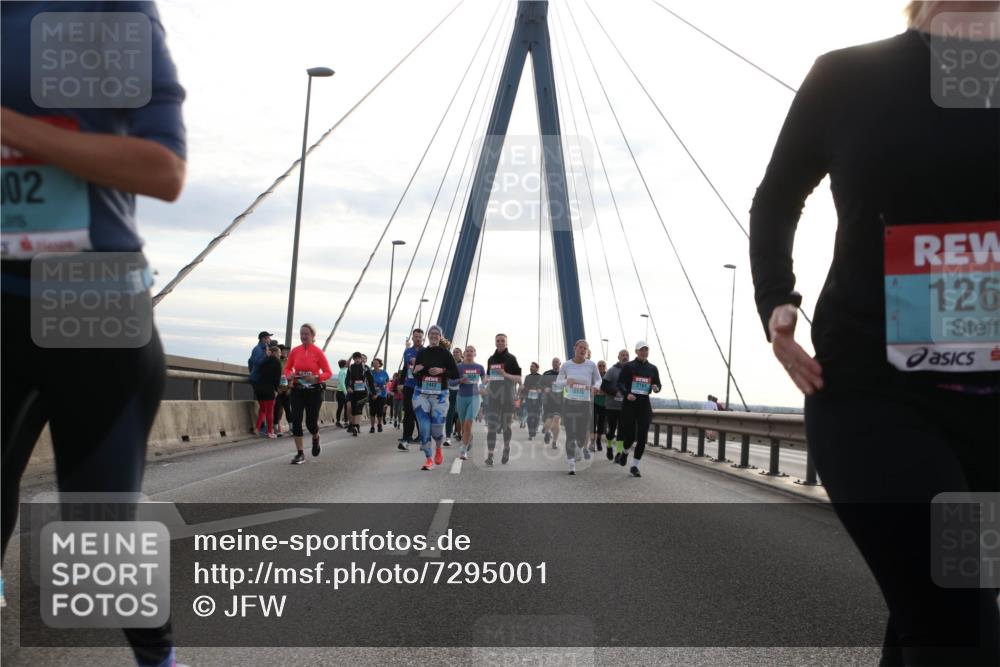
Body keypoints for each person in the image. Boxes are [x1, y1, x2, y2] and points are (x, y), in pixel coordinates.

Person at [749, 2, 999, 663]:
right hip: (871, 395)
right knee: (956, 610)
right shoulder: (848, 77)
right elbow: (778, 196)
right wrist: (776, 299)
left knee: (941, 615)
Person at [1, 3, 185, 664]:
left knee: (98, 545)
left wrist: (14, 130)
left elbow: (163, 169)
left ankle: (158, 658)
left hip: (94, 308)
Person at [412, 325, 460, 470]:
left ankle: (438, 447)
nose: (433, 336)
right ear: (428, 336)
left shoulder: (446, 354)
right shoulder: (422, 353)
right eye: (431, 333)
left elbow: (455, 374)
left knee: (437, 429)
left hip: (440, 395)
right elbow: (415, 373)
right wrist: (415, 371)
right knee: (424, 428)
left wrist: (441, 370)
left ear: (440, 337)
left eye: (436, 334)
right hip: (421, 393)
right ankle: (428, 458)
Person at [284, 324, 333, 463]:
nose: (303, 336)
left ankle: (316, 437)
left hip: (314, 392)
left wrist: (316, 377)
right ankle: (300, 453)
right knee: (296, 421)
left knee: (311, 423)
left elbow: (328, 373)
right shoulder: (295, 351)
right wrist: (290, 375)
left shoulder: (318, 352)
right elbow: (287, 369)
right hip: (298, 390)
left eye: (306, 334)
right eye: (301, 334)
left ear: (312, 336)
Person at [553, 341, 602, 475]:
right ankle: (571, 465)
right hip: (569, 402)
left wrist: (596, 387)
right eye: (580, 347)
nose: (582, 350)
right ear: (574, 348)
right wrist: (566, 382)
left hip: (584, 403)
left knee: (581, 433)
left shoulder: (591, 365)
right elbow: (558, 383)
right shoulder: (567, 365)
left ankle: (580, 447)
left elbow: (598, 380)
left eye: (585, 348)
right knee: (570, 433)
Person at [616, 341, 661, 477]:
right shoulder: (629, 367)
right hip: (630, 404)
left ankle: (634, 466)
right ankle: (624, 453)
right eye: (641, 350)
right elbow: (620, 383)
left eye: (646, 350)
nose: (644, 352)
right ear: (636, 352)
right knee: (630, 436)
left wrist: (656, 388)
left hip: (644, 405)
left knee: (642, 436)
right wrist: (627, 394)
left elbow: (658, 384)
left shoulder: (653, 368)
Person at [484, 333, 522, 465]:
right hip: (493, 397)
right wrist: (485, 380)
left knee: (506, 427)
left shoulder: (512, 359)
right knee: (492, 427)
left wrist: (505, 374)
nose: (500, 343)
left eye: (502, 341)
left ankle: (506, 447)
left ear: (506, 343)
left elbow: (519, 378)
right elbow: (487, 377)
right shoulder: (491, 359)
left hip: (507, 397)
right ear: (495, 342)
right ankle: (490, 455)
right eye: (498, 341)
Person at [455, 345, 486, 460]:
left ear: (475, 353)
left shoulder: (480, 367)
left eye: (471, 351)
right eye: (467, 351)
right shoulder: (459, 367)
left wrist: (483, 386)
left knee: (468, 423)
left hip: (475, 397)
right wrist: (459, 380)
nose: (469, 353)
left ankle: (463, 450)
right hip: (461, 397)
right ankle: (469, 437)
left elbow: (484, 379)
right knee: (464, 426)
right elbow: (451, 382)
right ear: (464, 353)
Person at [399, 328, 424, 450]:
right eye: (416, 336)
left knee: (420, 413)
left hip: (422, 387)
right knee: (408, 412)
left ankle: (422, 437)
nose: (418, 339)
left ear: (422, 338)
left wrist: (418, 362)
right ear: (413, 338)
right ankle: (406, 438)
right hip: (409, 385)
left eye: (420, 337)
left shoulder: (426, 351)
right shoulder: (407, 351)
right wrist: (400, 382)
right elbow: (405, 368)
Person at [602, 349, 629, 461]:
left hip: (625, 406)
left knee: (622, 431)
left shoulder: (631, 371)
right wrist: (615, 392)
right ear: (618, 357)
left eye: (626, 355)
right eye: (622, 355)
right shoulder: (612, 371)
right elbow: (604, 386)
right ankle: (609, 446)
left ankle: (618, 452)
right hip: (612, 405)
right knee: (611, 430)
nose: (625, 357)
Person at [254, 342, 283, 438]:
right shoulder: (277, 362)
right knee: (270, 411)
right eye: (279, 352)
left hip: (259, 388)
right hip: (269, 389)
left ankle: (257, 428)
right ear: (274, 353)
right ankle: (269, 432)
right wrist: (276, 389)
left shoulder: (264, 361)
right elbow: (277, 378)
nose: (280, 354)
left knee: (263, 410)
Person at [248, 331, 273, 434]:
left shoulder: (262, 348)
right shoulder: (258, 349)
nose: (270, 340)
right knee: (264, 405)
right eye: (268, 338)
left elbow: (249, 362)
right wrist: (266, 356)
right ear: (263, 339)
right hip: (258, 381)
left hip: (258, 380)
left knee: (263, 406)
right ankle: (262, 428)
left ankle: (260, 427)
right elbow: (257, 362)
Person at [540, 357, 562, 448]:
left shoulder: (564, 373)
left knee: (557, 419)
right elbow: (540, 384)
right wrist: (545, 388)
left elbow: (569, 385)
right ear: (552, 364)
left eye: (557, 362)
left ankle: (554, 442)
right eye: (553, 362)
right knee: (548, 419)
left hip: (560, 400)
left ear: (560, 363)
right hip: (548, 400)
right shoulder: (546, 373)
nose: (555, 363)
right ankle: (547, 432)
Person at [443, 346, 463, 446]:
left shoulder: (464, 365)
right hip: (450, 391)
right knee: (449, 414)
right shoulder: (449, 364)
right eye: (454, 352)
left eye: (457, 352)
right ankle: (447, 437)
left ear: (461, 354)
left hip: (461, 392)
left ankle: (459, 433)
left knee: (460, 415)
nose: (455, 354)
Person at [345, 351, 368, 437]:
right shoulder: (351, 367)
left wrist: (373, 392)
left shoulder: (365, 368)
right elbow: (347, 379)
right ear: (354, 359)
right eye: (356, 358)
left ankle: (355, 426)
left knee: (358, 409)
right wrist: (348, 387)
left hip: (363, 393)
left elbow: (370, 380)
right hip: (352, 392)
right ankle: (353, 424)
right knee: (351, 408)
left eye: (359, 358)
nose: (357, 360)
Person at [520, 362, 544, 439]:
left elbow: (543, 387)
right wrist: (524, 393)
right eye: (530, 366)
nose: (531, 368)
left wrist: (539, 390)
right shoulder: (527, 377)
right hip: (529, 399)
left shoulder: (541, 377)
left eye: (533, 367)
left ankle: (534, 429)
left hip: (538, 400)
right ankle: (531, 433)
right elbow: (524, 387)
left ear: (537, 368)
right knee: (530, 416)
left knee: (536, 416)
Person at [273, 345, 292, 436]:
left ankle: (291, 428)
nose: (285, 353)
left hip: (286, 389)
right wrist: (277, 388)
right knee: (277, 409)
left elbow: (292, 376)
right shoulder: (276, 361)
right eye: (283, 351)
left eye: (286, 351)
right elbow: (273, 376)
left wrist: (289, 387)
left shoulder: (288, 362)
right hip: (279, 389)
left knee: (288, 409)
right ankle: (276, 428)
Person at [369, 358, 389, 433]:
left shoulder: (384, 372)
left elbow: (387, 381)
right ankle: (372, 427)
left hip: (382, 394)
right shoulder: (371, 372)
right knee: (372, 411)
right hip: (373, 394)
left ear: (380, 364)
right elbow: (367, 383)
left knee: (379, 411)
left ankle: (379, 424)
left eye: (376, 363)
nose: (375, 364)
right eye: (373, 363)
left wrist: (385, 385)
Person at [592, 360, 608, 451]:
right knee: (593, 424)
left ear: (605, 367)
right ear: (597, 367)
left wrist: (605, 391)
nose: (601, 367)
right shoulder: (593, 376)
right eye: (599, 365)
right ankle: (592, 443)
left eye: (603, 365)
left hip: (604, 403)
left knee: (601, 425)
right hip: (594, 402)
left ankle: (598, 440)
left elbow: (611, 387)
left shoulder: (608, 376)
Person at [334, 359, 348, 427]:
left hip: (339, 392)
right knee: (345, 407)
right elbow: (342, 383)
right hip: (342, 392)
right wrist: (345, 392)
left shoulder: (342, 371)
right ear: (345, 364)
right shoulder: (344, 372)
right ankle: (345, 421)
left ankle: (338, 421)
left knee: (340, 407)